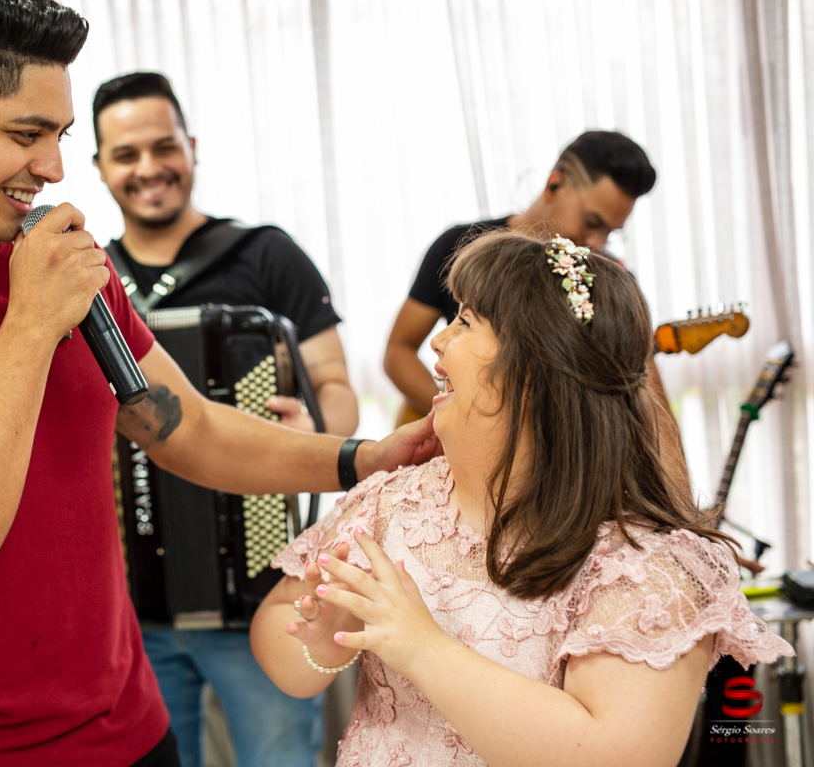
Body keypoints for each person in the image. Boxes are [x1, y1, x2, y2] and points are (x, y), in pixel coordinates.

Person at [0, 0, 437, 767]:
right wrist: (29, 325)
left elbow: (187, 429)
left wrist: (363, 458)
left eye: (61, 135)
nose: (53, 167)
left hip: (129, 729)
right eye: (26, 134)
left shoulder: (62, 261)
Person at [251, 231, 791, 766]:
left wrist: (421, 647)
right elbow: (277, 627)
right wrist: (319, 646)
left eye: (465, 322)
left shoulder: (644, 568)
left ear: (534, 371)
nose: (437, 341)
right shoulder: (388, 503)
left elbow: (617, 754)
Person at [91, 71, 358, 767]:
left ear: (192, 147)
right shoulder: (87, 283)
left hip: (257, 590)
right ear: (99, 167)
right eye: (125, 154)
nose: (148, 168)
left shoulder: (266, 255)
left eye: (163, 146)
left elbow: (334, 383)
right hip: (129, 607)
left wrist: (315, 430)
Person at [384, 131, 656, 421]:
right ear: (554, 183)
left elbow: (649, 400)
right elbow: (399, 350)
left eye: (609, 233)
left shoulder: (606, 284)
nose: (597, 243)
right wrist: (453, 415)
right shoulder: (461, 245)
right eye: (591, 222)